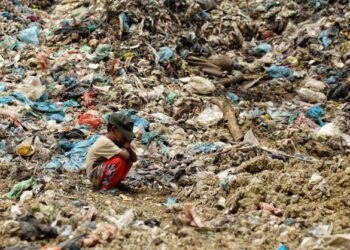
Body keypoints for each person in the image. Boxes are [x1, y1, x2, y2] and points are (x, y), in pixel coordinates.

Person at [85, 113, 137, 191]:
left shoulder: (117, 140)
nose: (126, 138)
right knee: (119, 161)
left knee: (128, 161)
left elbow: (133, 159)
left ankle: (116, 183)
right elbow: (126, 156)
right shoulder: (105, 141)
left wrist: (128, 148)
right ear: (113, 130)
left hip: (101, 172)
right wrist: (127, 148)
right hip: (94, 176)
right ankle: (106, 186)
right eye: (124, 134)